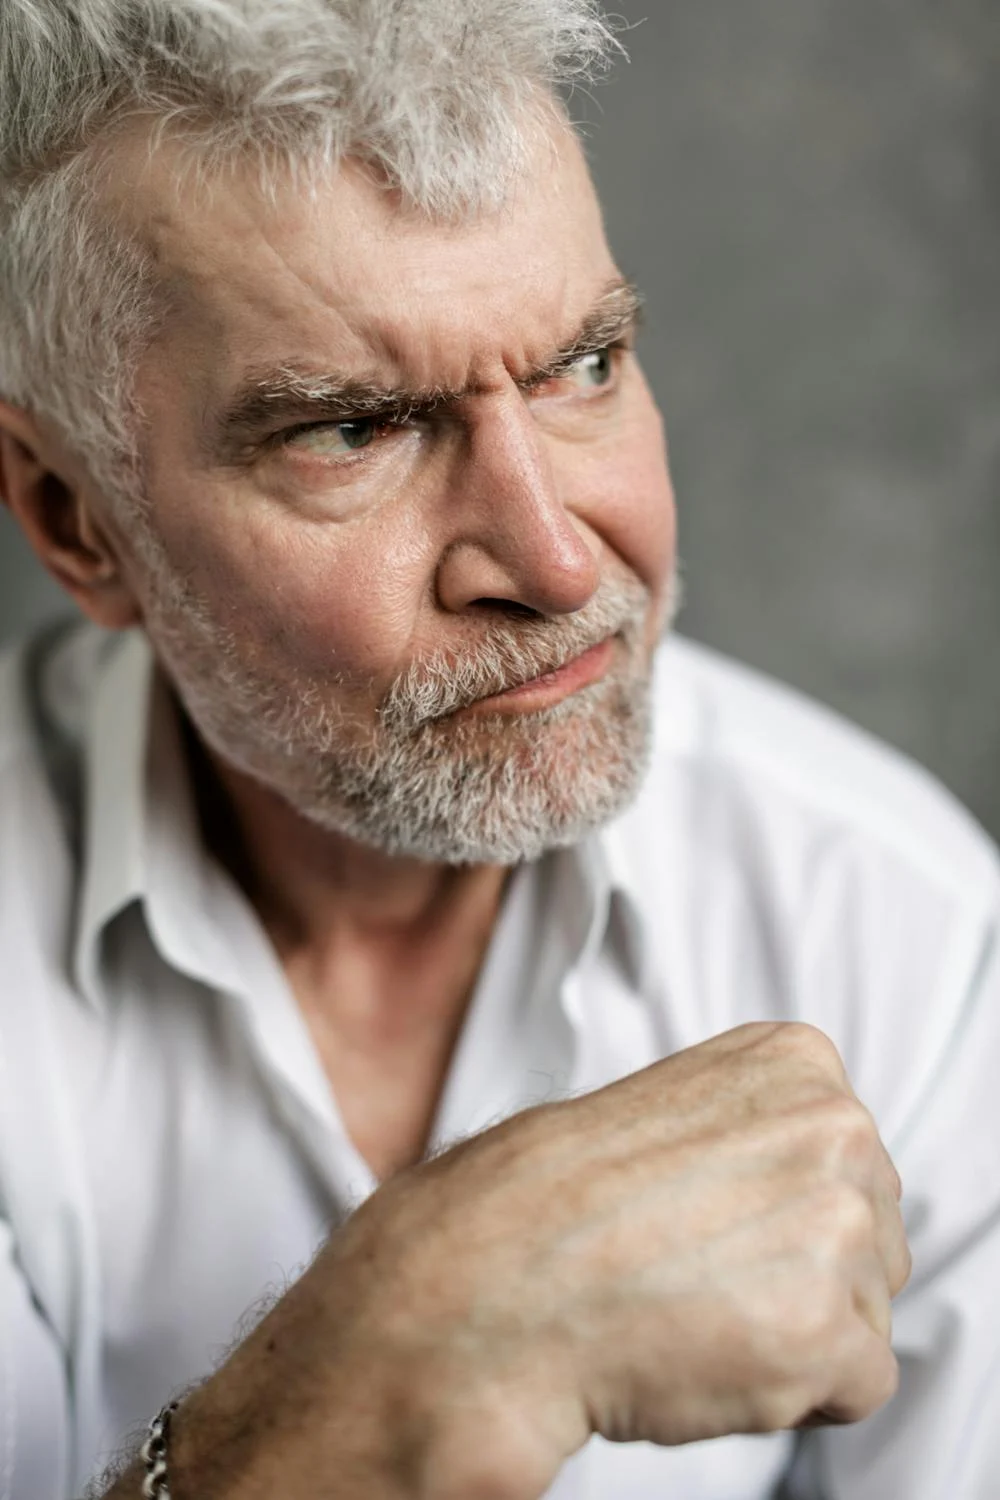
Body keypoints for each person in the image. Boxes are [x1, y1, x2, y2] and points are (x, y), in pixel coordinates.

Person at [0, 2, 996, 1497]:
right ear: (78, 522)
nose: (554, 561)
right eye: (353, 432)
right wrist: (375, 1369)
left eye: (583, 364)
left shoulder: (903, 928)